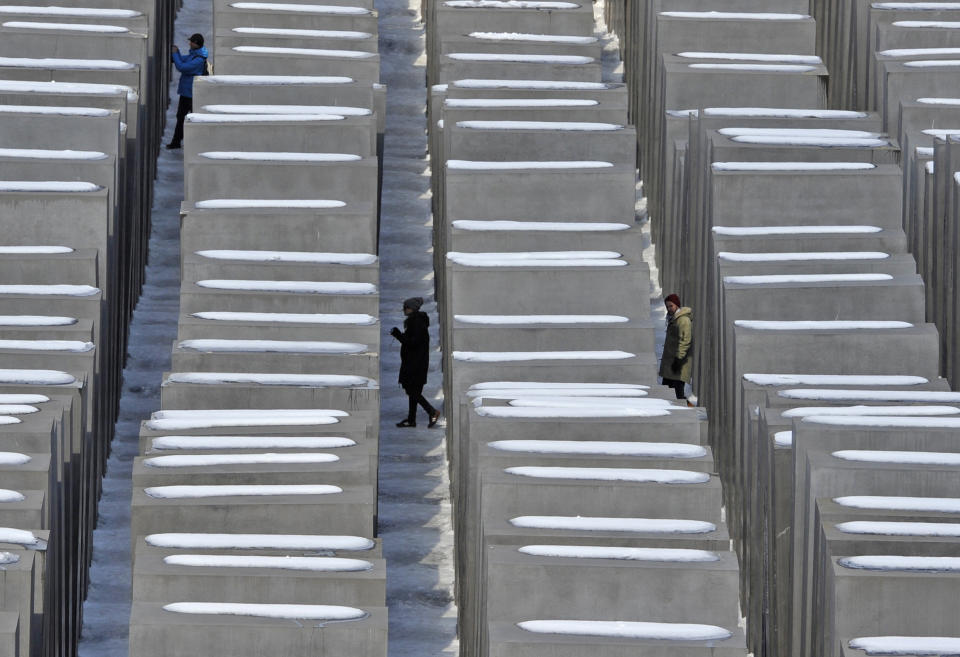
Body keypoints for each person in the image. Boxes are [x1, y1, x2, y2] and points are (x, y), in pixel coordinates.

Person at [390, 297, 440, 428]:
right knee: (413, 390)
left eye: (405, 307)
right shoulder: (416, 321)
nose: (404, 310)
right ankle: (411, 419)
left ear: (412, 308)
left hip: (415, 363)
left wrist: (398, 335)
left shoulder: (416, 322)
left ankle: (432, 411)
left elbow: (412, 343)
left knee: (412, 391)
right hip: (415, 362)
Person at [167, 33, 208, 150]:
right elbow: (182, 60)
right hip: (186, 92)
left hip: (191, 94)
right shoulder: (194, 55)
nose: (189, 43)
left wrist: (175, 53)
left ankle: (191, 143)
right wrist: (176, 52)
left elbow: (182, 67)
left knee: (187, 119)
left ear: (196, 44)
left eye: (192, 42)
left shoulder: (198, 60)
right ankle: (177, 142)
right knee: (181, 117)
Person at [660, 293, 693, 405]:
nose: (669, 309)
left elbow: (685, 341)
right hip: (671, 365)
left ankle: (687, 414)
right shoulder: (675, 319)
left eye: (671, 306)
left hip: (677, 365)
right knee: (668, 393)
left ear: (677, 305)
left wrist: (678, 360)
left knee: (677, 394)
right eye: (667, 307)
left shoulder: (683, 320)